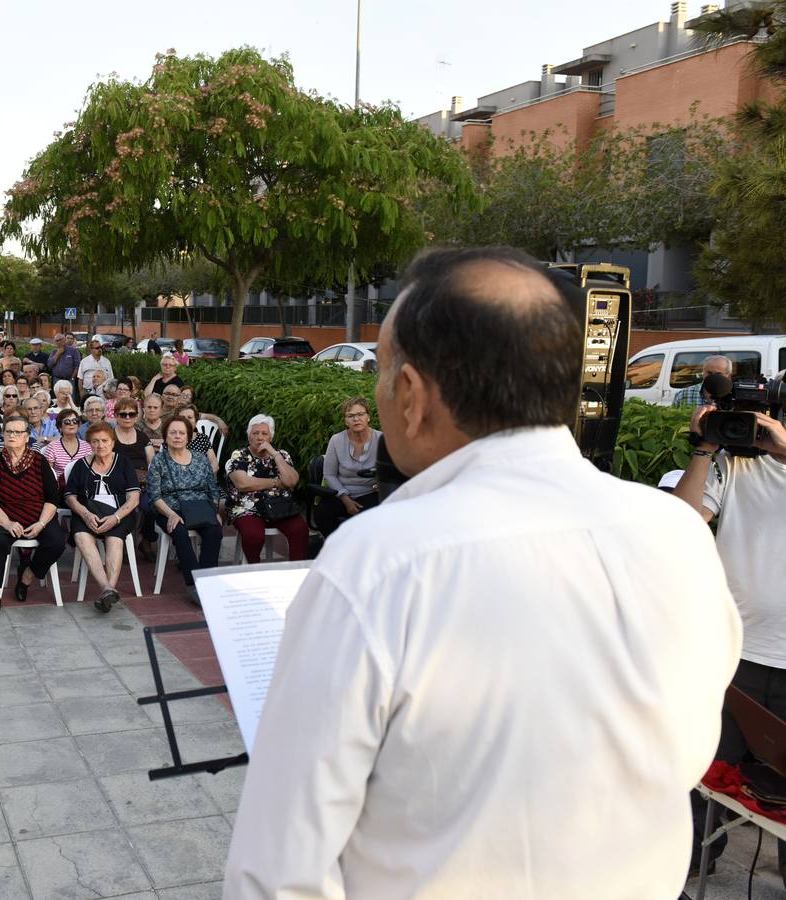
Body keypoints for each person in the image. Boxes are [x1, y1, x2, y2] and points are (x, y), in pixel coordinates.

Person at [223, 245, 741, 900]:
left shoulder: (377, 564)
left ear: (411, 396)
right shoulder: (678, 536)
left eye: (384, 374)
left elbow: (277, 871)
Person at [673, 373, 786, 879]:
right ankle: (689, 868)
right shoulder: (738, 462)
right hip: (737, 652)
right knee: (708, 777)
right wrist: (705, 448)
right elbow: (680, 521)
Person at [0, 415, 66, 620]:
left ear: (27, 437)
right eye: (8, 431)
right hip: (6, 516)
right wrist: (7, 523)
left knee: (56, 543)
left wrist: (42, 523)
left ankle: (27, 576)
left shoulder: (38, 461)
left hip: (38, 515)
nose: (12, 435)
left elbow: (53, 496)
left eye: (18, 432)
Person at [64, 421, 140, 613]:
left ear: (113, 442)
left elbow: (134, 498)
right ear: (89, 443)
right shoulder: (81, 465)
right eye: (95, 441)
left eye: (104, 441)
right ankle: (107, 589)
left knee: (114, 537)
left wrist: (115, 517)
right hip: (88, 513)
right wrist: (85, 514)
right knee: (81, 535)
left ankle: (107, 589)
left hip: (119, 514)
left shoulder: (123, 462)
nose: (100, 445)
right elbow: (70, 496)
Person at [146, 415, 223, 597]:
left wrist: (215, 511)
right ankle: (193, 584)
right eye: (173, 433)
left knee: (214, 530)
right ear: (165, 436)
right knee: (179, 531)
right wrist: (171, 514)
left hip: (199, 507)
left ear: (188, 436)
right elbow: (154, 495)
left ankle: (206, 581)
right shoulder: (159, 461)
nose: (178, 436)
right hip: (168, 508)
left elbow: (213, 489)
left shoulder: (200, 459)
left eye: (182, 433)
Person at [224, 415, 308, 563]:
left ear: (271, 437)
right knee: (253, 535)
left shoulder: (282, 455)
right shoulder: (240, 455)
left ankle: (296, 573)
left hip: (279, 505)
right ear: (249, 436)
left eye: (264, 433)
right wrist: (276, 482)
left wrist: (275, 455)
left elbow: (291, 481)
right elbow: (243, 484)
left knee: (300, 529)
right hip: (247, 507)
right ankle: (255, 569)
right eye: (255, 433)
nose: (259, 437)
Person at [319, 396, 383, 534]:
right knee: (322, 512)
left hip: (370, 491)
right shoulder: (336, 440)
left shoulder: (382, 439)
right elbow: (329, 474)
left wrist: (382, 482)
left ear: (368, 417)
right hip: (341, 492)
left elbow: (390, 470)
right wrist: (345, 498)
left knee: (372, 519)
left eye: (360, 414)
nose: (356, 419)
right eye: (351, 415)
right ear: (346, 421)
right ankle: (336, 550)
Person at [43, 409, 90, 486]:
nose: (71, 424)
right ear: (60, 427)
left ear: (78, 426)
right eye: (67, 422)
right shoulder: (53, 446)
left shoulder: (87, 446)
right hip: (60, 488)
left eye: (75, 421)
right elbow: (48, 474)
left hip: (82, 486)